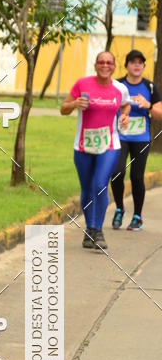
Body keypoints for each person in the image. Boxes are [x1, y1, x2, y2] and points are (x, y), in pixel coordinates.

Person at [60, 50, 130, 250]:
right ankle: (89, 230)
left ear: (114, 66)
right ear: (96, 65)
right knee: (87, 188)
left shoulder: (120, 88)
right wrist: (74, 104)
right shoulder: (82, 84)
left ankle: (98, 230)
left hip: (109, 144)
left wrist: (124, 116)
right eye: (101, 62)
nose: (105, 65)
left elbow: (126, 106)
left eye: (109, 62)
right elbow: (63, 109)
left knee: (100, 184)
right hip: (83, 145)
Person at [110, 49, 162, 231]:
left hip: (141, 138)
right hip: (120, 136)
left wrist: (148, 106)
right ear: (126, 66)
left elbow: (160, 113)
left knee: (137, 176)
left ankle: (137, 216)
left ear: (144, 66)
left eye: (140, 62)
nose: (137, 65)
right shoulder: (117, 85)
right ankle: (119, 208)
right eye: (133, 62)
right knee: (116, 173)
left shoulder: (150, 88)